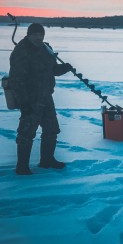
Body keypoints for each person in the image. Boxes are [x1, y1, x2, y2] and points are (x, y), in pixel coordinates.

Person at [8, 23, 75, 175]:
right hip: (30, 99)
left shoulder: (46, 49)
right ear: (29, 35)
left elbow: (53, 70)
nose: (38, 37)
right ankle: (22, 166)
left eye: (41, 34)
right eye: (35, 34)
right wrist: (24, 103)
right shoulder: (21, 51)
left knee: (52, 130)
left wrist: (64, 68)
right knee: (26, 133)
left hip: (46, 96)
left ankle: (47, 160)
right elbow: (16, 80)